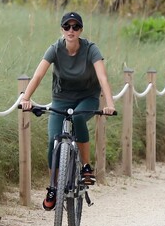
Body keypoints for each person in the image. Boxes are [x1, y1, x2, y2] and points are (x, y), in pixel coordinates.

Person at [20, 12, 116, 210]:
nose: (71, 30)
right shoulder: (55, 48)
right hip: (61, 99)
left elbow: (103, 77)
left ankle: (86, 168)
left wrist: (110, 104)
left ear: (81, 30)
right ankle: (53, 187)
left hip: (87, 98)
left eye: (75, 27)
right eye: (67, 27)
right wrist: (25, 98)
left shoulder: (91, 49)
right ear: (62, 29)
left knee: (79, 118)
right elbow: (38, 75)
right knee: (53, 139)